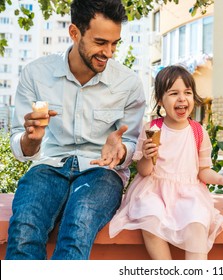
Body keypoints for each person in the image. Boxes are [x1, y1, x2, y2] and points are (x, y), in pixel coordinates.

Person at [5, 0, 145, 260]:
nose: (109, 52)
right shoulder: (36, 74)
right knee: (25, 226)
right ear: (74, 33)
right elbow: (19, 143)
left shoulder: (128, 84)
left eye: (115, 44)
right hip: (48, 166)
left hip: (101, 171)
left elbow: (131, 143)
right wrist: (30, 140)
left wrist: (121, 149)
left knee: (79, 222)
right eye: (101, 42)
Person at [109, 65, 223, 260]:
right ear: (160, 100)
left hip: (188, 192)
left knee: (197, 224)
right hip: (153, 190)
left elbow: (203, 171)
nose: (182, 98)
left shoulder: (198, 132)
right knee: (150, 221)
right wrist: (147, 156)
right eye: (174, 93)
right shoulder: (152, 129)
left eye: (187, 93)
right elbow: (144, 171)